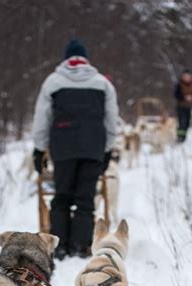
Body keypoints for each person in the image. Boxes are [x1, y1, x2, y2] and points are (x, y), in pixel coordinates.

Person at [32, 39, 119, 259]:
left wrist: (39, 148)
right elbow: (111, 119)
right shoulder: (102, 83)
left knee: (62, 196)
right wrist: (108, 149)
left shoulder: (53, 82)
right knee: (85, 198)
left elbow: (42, 117)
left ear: (66, 59)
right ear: (85, 59)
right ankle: (81, 246)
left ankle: (59, 246)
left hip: (63, 147)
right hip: (93, 147)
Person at [174, 69, 192, 143]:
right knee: (182, 122)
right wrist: (184, 97)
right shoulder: (179, 85)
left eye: (189, 77)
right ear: (183, 77)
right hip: (180, 106)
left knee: (187, 123)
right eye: (186, 77)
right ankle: (179, 137)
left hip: (189, 107)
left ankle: (184, 137)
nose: (187, 78)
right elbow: (176, 95)